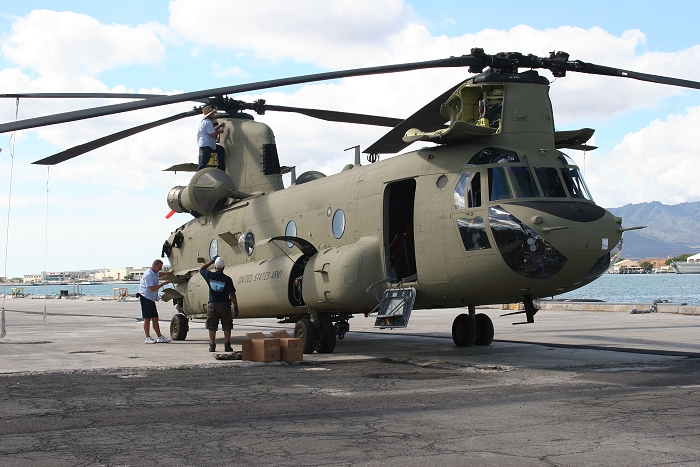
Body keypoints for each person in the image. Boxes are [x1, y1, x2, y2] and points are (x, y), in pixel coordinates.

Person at [200, 255, 239, 352]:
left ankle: (212, 345)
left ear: (215, 267)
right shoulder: (227, 279)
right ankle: (227, 345)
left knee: (212, 326)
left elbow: (201, 269)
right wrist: (236, 306)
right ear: (223, 268)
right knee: (227, 325)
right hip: (224, 305)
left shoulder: (209, 276)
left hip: (212, 304)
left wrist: (210, 262)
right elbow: (232, 294)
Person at [138, 259, 174, 344]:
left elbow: (160, 274)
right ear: (154, 265)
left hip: (151, 299)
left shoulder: (154, 272)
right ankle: (147, 337)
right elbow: (152, 288)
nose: (160, 269)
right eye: (159, 267)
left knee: (155, 318)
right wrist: (164, 284)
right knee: (147, 318)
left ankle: (160, 336)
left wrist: (169, 273)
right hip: (146, 298)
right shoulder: (148, 275)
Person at [196, 105, 227, 172]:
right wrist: (219, 131)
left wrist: (219, 126)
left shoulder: (205, 122)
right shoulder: (208, 122)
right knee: (204, 162)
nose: (213, 115)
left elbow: (211, 130)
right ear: (209, 115)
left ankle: (220, 167)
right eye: (212, 113)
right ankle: (198, 173)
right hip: (207, 145)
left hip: (206, 144)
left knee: (220, 149)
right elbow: (213, 134)